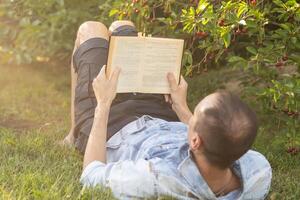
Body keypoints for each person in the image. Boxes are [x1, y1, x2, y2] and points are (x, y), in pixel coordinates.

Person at [64, 20, 272, 199]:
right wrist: (181, 107)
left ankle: (74, 134)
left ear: (195, 141)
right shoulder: (257, 170)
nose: (190, 117)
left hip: (112, 126)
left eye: (194, 115)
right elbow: (217, 136)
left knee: (90, 29)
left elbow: (91, 178)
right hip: (161, 117)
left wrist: (103, 103)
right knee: (123, 27)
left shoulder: (159, 177)